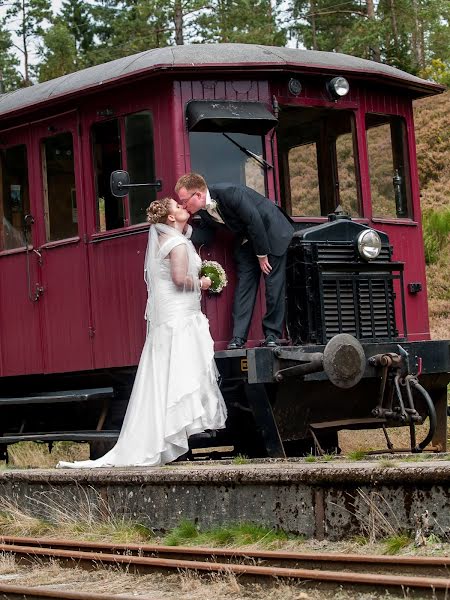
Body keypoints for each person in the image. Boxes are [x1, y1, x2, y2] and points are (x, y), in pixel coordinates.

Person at [57, 198, 227, 468]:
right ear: (171, 219)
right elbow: (180, 280)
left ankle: (163, 438)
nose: (184, 208)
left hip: (171, 317)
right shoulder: (179, 244)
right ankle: (170, 436)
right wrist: (205, 282)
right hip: (180, 317)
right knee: (179, 376)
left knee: (166, 377)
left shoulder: (165, 241)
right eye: (178, 207)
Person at [175, 174, 294, 350]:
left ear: (198, 195)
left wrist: (262, 255)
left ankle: (272, 335)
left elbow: (254, 220)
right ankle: (238, 337)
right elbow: (207, 236)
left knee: (273, 284)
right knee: (244, 285)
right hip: (247, 240)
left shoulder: (230, 192)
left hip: (271, 232)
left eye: (185, 201)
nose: (184, 205)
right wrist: (182, 230)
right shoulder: (203, 210)